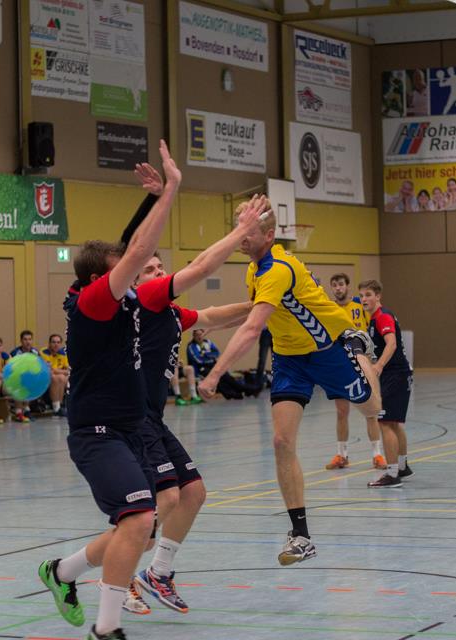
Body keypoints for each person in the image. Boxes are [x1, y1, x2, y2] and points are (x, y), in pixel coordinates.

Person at [37, 140, 179, 640]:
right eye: (124, 270)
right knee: (138, 520)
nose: (136, 272)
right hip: (97, 430)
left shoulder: (102, 287)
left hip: (129, 424)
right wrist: (172, 191)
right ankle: (107, 629)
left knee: (135, 527)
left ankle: (62, 572)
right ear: (103, 277)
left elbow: (127, 244)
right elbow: (136, 251)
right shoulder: (96, 303)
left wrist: (150, 199)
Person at [198, 205, 382, 566]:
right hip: (289, 359)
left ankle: (360, 349)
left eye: (247, 230)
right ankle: (301, 536)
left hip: (329, 350)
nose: (241, 236)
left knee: (371, 407)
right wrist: (207, 321)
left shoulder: (278, 269)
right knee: (282, 442)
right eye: (238, 228)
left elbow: (253, 328)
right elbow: (252, 310)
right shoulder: (255, 269)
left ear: (268, 236)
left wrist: (216, 373)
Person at [124, 188, 268, 614]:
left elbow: (210, 316)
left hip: (154, 418)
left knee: (195, 493)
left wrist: (263, 303)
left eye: (159, 266)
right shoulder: (145, 300)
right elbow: (202, 266)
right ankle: (119, 578)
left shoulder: (169, 312)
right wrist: (241, 230)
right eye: (150, 269)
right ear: (136, 281)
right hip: (134, 418)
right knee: (163, 500)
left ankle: (158, 573)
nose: (158, 271)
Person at [326, 273, 384, 471]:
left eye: (341, 284)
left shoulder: (361, 305)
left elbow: (374, 327)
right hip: (340, 365)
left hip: (362, 362)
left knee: (370, 411)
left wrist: (374, 359)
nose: (338, 288)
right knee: (341, 411)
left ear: (347, 286)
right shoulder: (329, 308)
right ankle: (342, 455)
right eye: (334, 285)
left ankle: (377, 455)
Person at [358, 280, 414, 488]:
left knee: (385, 422)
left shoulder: (382, 317)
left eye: (368, 295)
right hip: (399, 374)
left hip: (394, 374)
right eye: (361, 295)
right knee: (394, 422)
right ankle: (402, 466)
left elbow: (391, 343)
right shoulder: (374, 319)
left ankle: (392, 474)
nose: (364, 299)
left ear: (378, 296)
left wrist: (379, 366)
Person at [187, 329, 257, 399]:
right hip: (201, 368)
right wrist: (210, 355)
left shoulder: (208, 342)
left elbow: (217, 353)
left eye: (201, 334)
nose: (199, 337)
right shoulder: (191, 346)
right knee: (216, 378)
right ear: (194, 336)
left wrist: (205, 354)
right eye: (197, 335)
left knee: (226, 376)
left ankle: (244, 389)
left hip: (212, 364)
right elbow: (198, 359)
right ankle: (230, 394)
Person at [9, 330, 38, 419]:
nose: (28, 342)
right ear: (21, 341)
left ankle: (26, 408)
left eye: (29, 339)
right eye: (25, 339)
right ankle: (20, 410)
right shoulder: (15, 353)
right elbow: (13, 369)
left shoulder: (35, 352)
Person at [40, 334, 69, 416]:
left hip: (58, 377)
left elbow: (68, 370)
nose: (56, 344)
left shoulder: (63, 354)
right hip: (44, 378)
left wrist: (57, 371)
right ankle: (56, 407)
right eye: (53, 342)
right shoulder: (44, 352)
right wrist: (60, 371)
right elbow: (49, 371)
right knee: (55, 377)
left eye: (58, 342)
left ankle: (60, 405)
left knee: (62, 377)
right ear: (49, 343)